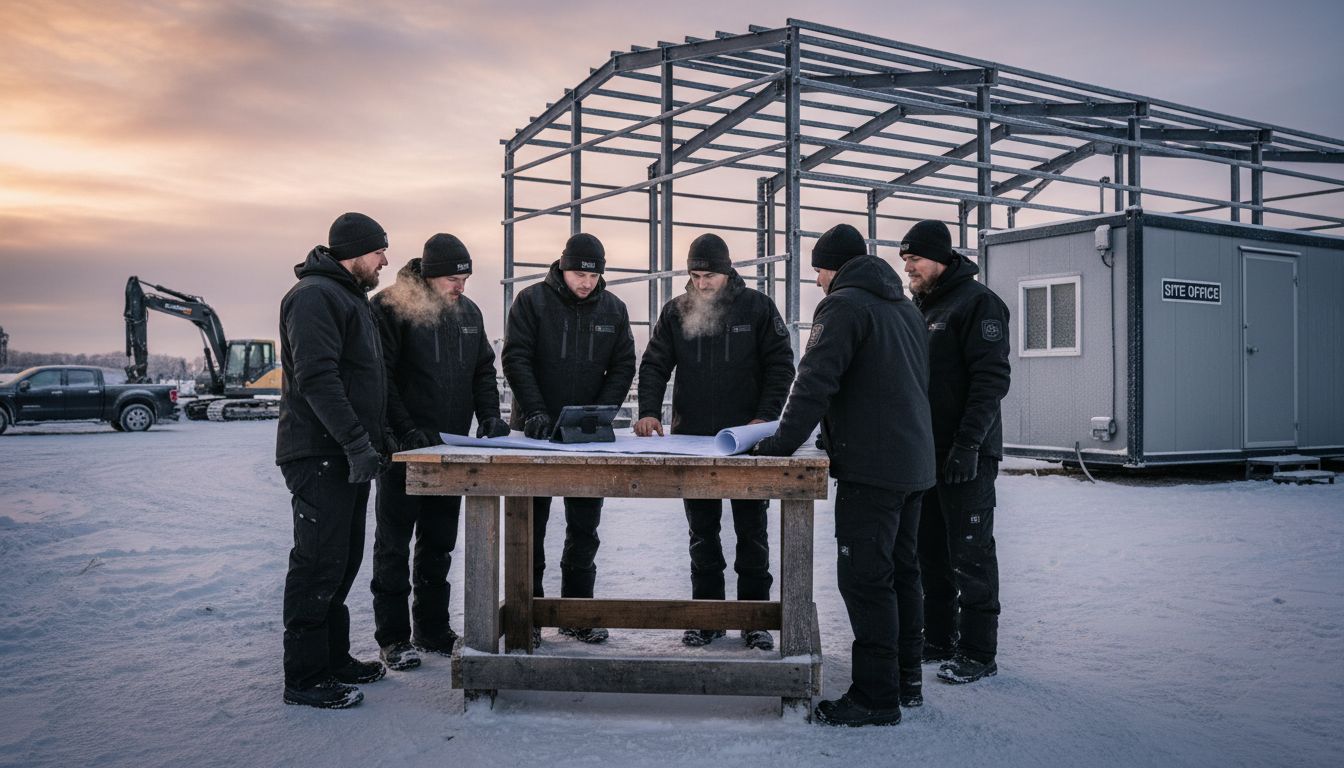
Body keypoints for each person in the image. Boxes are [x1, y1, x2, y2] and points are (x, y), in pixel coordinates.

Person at [754, 223, 934, 727]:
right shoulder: (903, 307)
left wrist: (779, 444)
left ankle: (875, 698)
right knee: (902, 574)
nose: (816, 281)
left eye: (818, 270)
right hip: (913, 462)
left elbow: (815, 381)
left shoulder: (843, 306)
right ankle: (905, 680)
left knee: (866, 580)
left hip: (873, 469)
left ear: (834, 268)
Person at [635, 233, 795, 650]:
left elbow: (781, 365)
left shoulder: (757, 308)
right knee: (702, 532)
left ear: (726, 272)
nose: (702, 283)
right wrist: (648, 410)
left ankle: (754, 620)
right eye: (695, 275)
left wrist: (764, 417)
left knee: (752, 532)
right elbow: (654, 363)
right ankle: (707, 618)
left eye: (709, 276)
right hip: (693, 440)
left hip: (745, 441)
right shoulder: (677, 311)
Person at [369, 233, 510, 672]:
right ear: (430, 275)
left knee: (439, 543)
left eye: (466, 278)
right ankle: (394, 638)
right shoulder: (390, 307)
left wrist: (490, 417)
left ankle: (431, 628)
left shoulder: (468, 313)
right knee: (393, 545)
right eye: (453, 279)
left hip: (451, 447)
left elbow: (483, 370)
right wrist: (403, 430)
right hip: (403, 450)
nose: (460, 287)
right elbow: (381, 376)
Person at [275, 212, 393, 709]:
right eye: (379, 252)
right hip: (321, 453)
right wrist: (355, 443)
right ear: (356, 252)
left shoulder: (348, 298)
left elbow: (364, 379)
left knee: (343, 561)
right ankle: (304, 677)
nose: (384, 260)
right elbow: (317, 378)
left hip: (347, 453)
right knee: (318, 563)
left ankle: (333, 658)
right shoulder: (314, 297)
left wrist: (376, 439)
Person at [501, 232, 636, 644]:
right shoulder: (531, 302)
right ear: (562, 267)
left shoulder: (613, 308)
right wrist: (535, 411)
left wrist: (601, 413)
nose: (586, 283)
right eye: (579, 274)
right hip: (535, 434)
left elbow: (623, 364)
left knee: (584, 527)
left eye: (593, 276)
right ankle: (529, 614)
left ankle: (577, 612)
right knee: (530, 527)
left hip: (586, 435)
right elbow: (516, 358)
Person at [899, 219, 1011, 686]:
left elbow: (991, 380)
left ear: (942, 258)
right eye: (905, 261)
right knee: (930, 552)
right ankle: (940, 638)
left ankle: (979, 651)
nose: (909, 268)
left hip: (968, 454)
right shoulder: (919, 307)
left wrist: (968, 445)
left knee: (970, 551)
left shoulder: (978, 303)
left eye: (915, 260)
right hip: (926, 452)